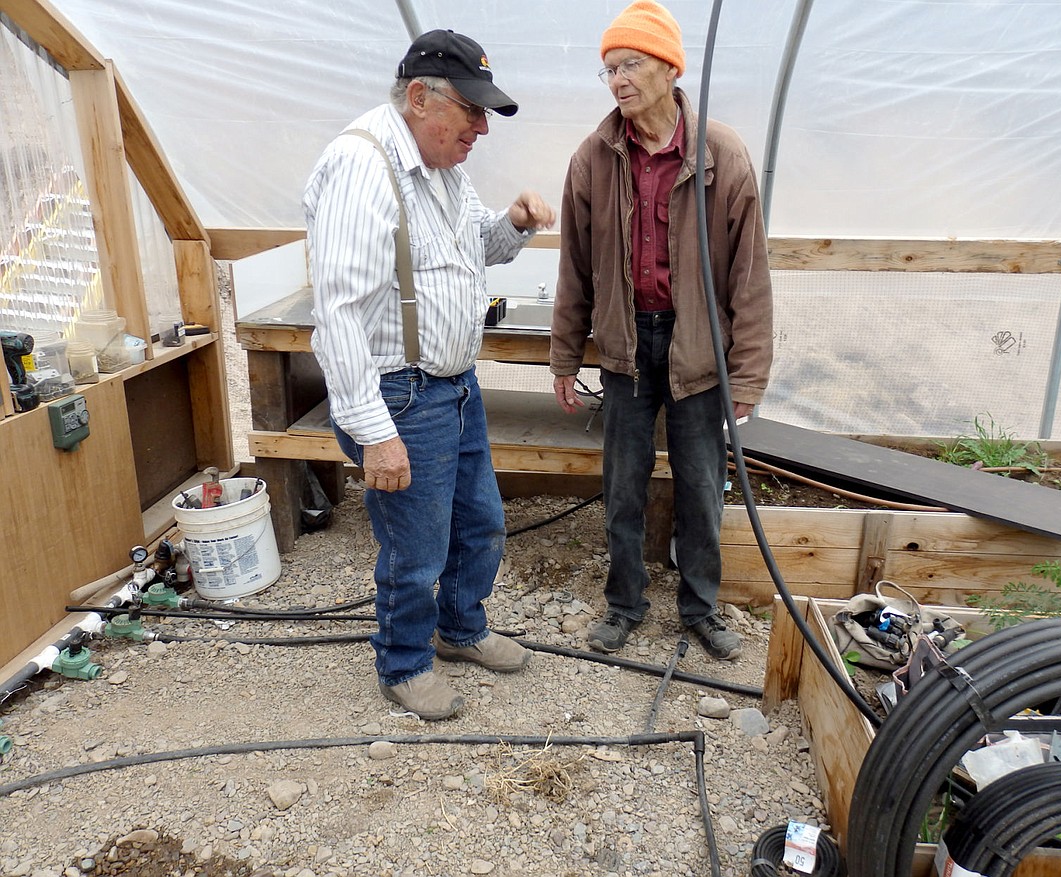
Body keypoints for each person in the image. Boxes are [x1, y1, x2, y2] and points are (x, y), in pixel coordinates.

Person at [304, 29, 556, 720]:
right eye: (471, 110)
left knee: (480, 523)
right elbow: (338, 316)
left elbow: (474, 245)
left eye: (484, 113)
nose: (481, 128)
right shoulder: (363, 166)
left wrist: (513, 223)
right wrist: (375, 433)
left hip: (454, 387)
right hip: (402, 393)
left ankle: (460, 628)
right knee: (415, 548)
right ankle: (404, 662)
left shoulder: (441, 168)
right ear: (420, 97)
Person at [550, 0, 773, 661]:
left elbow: (750, 276)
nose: (617, 79)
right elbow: (575, 268)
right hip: (625, 346)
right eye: (609, 68)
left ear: (670, 68)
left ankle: (700, 608)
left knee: (701, 486)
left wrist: (749, 374)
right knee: (623, 484)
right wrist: (565, 357)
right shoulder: (593, 159)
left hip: (698, 347)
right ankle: (624, 604)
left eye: (630, 64)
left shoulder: (720, 154)